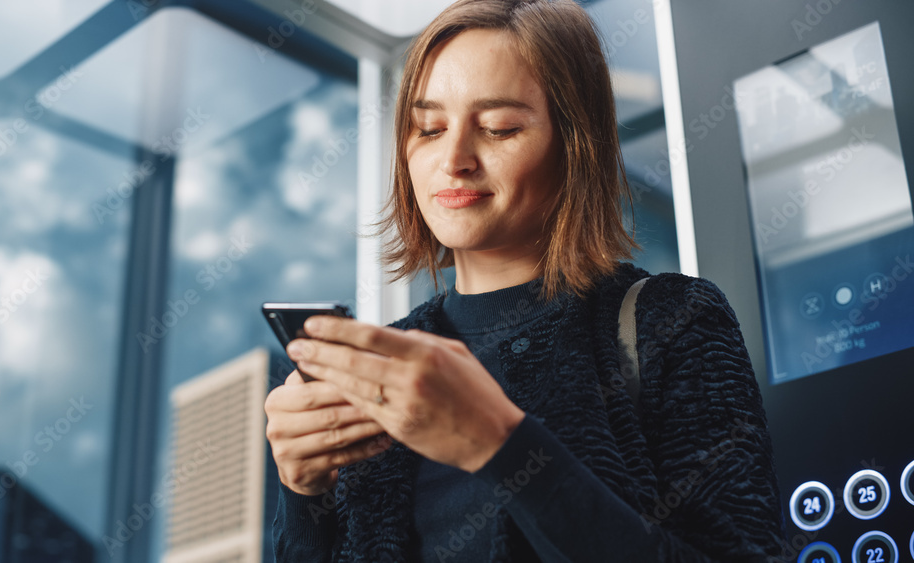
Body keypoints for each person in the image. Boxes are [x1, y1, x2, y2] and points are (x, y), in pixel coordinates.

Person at [264, 0, 785, 561]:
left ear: (575, 146)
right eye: (429, 128)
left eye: (498, 128)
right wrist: (303, 493)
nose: (454, 158)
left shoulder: (673, 320)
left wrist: (500, 444)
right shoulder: (389, 364)